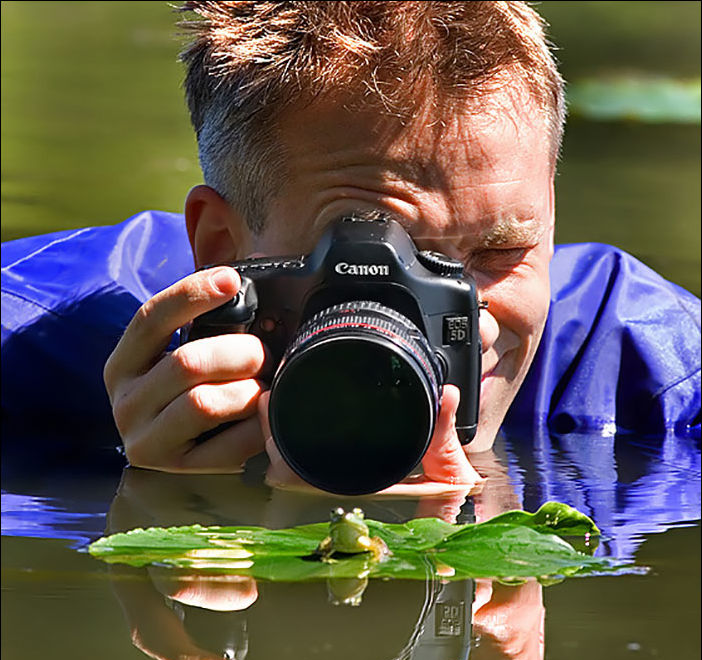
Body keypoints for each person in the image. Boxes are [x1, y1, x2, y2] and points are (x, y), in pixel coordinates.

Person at [1, 1, 700, 494]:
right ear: (222, 248)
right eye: (383, 257)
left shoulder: (659, 384)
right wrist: (162, 501)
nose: (474, 319)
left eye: (501, 250)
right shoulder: (27, 349)